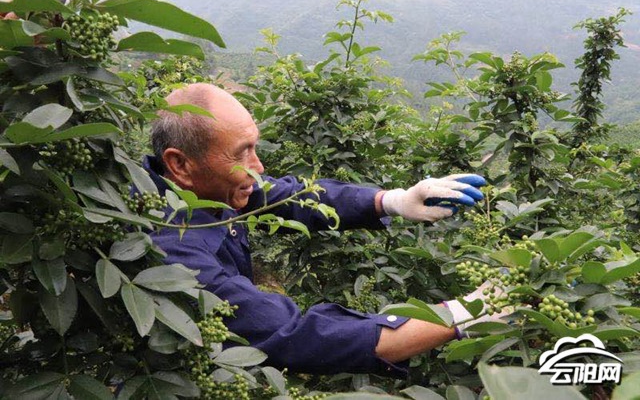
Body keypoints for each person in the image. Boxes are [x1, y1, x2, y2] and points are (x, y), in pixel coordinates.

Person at [145, 83, 507, 377]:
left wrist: (393, 200)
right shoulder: (170, 252)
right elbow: (297, 337)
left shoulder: (203, 187)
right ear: (180, 164)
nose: (258, 166)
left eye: (255, 147)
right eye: (241, 153)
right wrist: (466, 314)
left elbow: (291, 197)